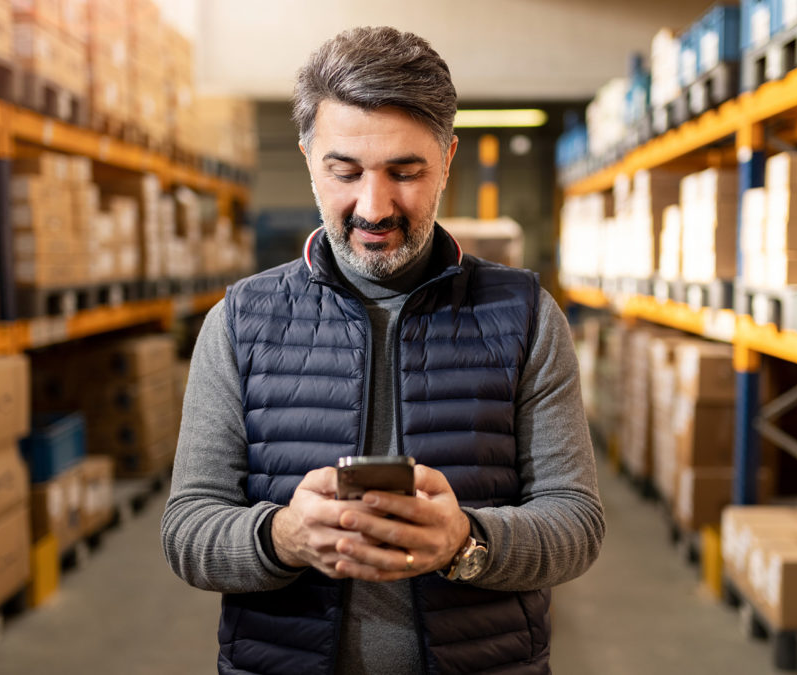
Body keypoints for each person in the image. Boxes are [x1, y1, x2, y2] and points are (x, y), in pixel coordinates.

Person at [161, 26, 605, 675]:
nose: (374, 206)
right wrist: (283, 536)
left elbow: (576, 523)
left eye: (406, 171)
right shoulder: (238, 323)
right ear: (309, 155)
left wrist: (467, 541)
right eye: (345, 171)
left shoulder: (526, 317)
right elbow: (188, 530)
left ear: (447, 159)